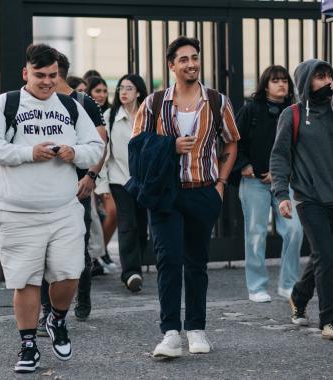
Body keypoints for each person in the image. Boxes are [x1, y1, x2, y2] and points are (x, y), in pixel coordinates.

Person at [0, 44, 104, 373]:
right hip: (16, 211)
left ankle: (57, 320)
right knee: (27, 281)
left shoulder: (71, 107)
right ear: (25, 73)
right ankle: (28, 345)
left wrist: (73, 152)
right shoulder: (7, 104)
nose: (47, 82)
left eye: (52, 76)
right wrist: (27, 153)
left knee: (70, 274)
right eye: (39, 75)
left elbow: (96, 147)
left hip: (63, 209)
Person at [132, 36, 240, 357]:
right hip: (165, 194)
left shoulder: (218, 101)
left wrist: (220, 182)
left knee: (196, 263)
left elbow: (231, 143)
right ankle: (170, 333)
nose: (191, 63)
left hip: (203, 191)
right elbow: (137, 147)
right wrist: (170, 146)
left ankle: (196, 328)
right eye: (183, 59)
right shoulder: (153, 103)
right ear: (171, 65)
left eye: (195, 57)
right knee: (168, 261)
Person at [38, 51, 107, 333]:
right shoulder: (39, 103)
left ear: (59, 74)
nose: (45, 81)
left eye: (50, 75)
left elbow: (102, 141)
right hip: (44, 189)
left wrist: (91, 176)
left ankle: (84, 294)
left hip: (78, 187)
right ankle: (46, 310)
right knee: (43, 250)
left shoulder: (83, 102)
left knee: (78, 247)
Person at [270, 59, 333, 340]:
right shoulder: (292, 115)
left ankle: (299, 295)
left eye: (329, 75)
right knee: (328, 256)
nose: (327, 81)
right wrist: (281, 194)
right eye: (320, 77)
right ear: (307, 82)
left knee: (324, 255)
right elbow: (280, 156)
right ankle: (328, 321)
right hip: (309, 199)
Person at [235, 65, 303, 303]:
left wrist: (280, 172)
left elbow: (300, 148)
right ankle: (256, 286)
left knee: (295, 229)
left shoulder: (295, 112)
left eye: (285, 80)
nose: (282, 84)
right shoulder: (250, 110)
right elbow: (233, 142)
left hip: (285, 182)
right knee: (256, 233)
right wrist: (244, 165)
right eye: (276, 80)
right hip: (253, 181)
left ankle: (289, 283)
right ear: (265, 84)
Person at [97, 74, 148, 292]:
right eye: (120, 88)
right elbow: (102, 154)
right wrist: (102, 186)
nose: (123, 92)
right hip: (120, 180)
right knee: (127, 223)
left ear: (138, 92)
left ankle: (136, 265)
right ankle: (130, 273)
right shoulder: (110, 117)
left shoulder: (149, 116)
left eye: (129, 88)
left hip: (145, 181)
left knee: (142, 226)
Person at [86, 75, 118, 271]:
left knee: (111, 214)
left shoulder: (110, 114)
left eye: (105, 91)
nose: (102, 95)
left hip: (109, 173)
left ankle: (101, 252)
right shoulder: (88, 113)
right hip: (95, 173)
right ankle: (96, 255)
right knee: (98, 215)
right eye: (98, 91)